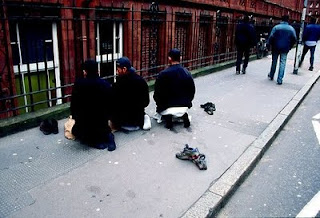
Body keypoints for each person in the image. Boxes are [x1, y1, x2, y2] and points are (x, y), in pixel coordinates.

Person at [70, 60, 116, 151]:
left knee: (75, 131)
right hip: (101, 122)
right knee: (104, 129)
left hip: (86, 122)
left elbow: (74, 105)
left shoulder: (79, 84)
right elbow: (111, 105)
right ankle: (109, 137)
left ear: (85, 72)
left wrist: (75, 117)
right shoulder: (105, 84)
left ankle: (95, 142)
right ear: (97, 71)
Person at [153, 48, 195, 129]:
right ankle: (182, 115)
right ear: (181, 58)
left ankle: (168, 117)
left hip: (167, 106)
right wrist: (187, 101)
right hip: (184, 105)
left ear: (169, 58)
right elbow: (192, 91)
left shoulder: (163, 74)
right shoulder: (187, 73)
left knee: (164, 106)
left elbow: (157, 93)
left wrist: (159, 104)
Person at [110, 56, 150, 131]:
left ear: (124, 69)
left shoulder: (117, 85)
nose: (116, 72)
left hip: (122, 122)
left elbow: (112, 104)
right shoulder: (141, 81)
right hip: (138, 120)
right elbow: (146, 102)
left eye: (118, 70)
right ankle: (144, 118)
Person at [267, 15, 297, 85]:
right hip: (285, 48)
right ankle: (280, 79)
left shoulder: (276, 27)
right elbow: (294, 39)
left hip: (276, 47)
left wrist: (269, 45)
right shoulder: (291, 29)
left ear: (281, 20)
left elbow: (271, 37)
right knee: (282, 63)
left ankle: (271, 75)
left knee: (274, 61)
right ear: (288, 20)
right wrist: (290, 46)